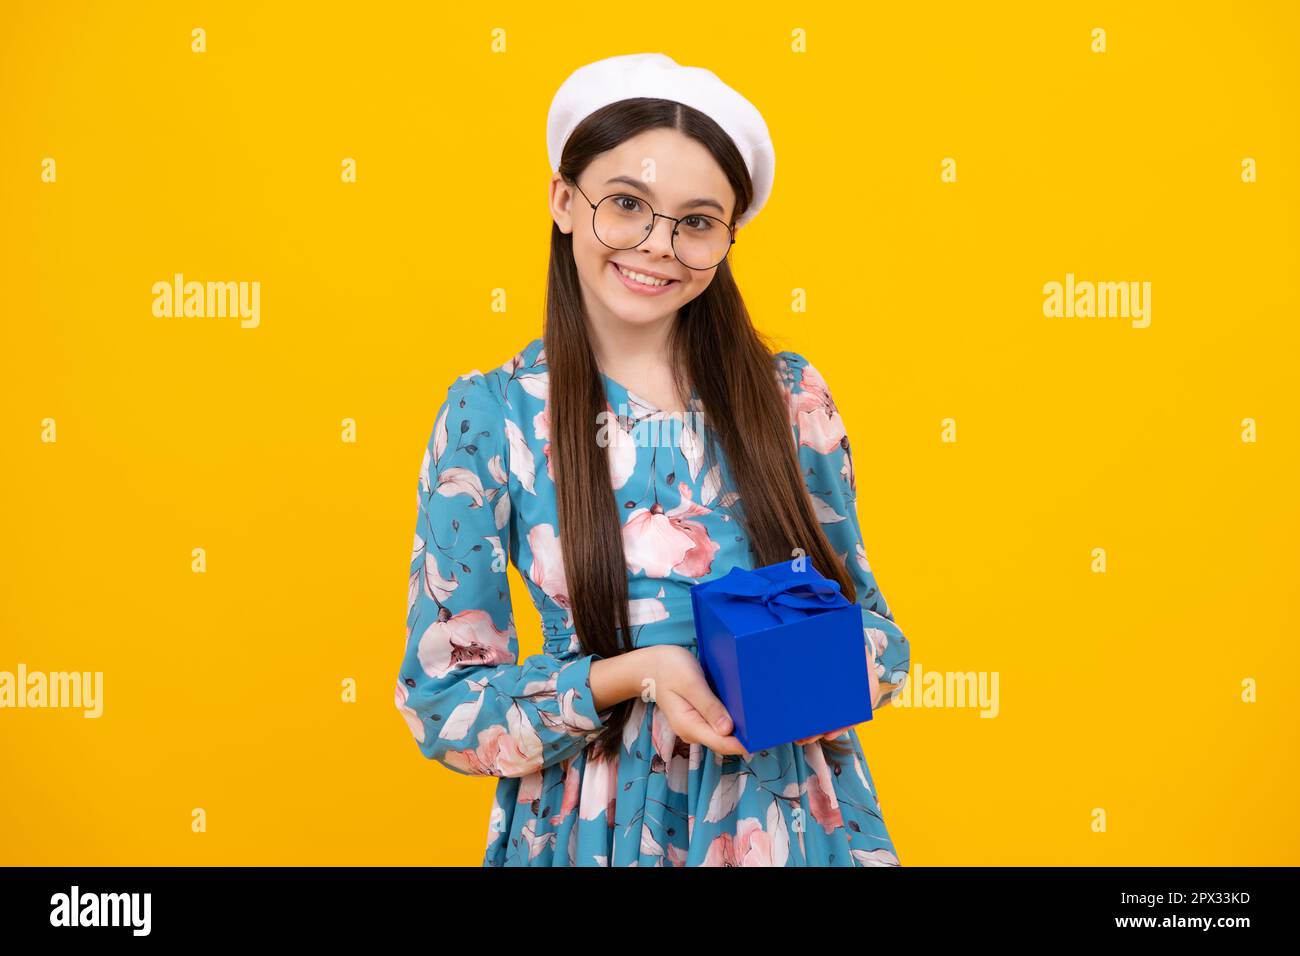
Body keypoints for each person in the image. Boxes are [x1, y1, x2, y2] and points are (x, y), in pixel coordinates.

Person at [394, 52, 911, 866]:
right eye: (627, 204)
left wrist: (797, 684)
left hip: (787, 825)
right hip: (593, 828)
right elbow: (444, 708)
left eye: (696, 222)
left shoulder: (789, 399)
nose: (657, 246)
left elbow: (878, 635)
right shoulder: (491, 417)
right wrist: (637, 673)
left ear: (727, 239)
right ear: (564, 201)